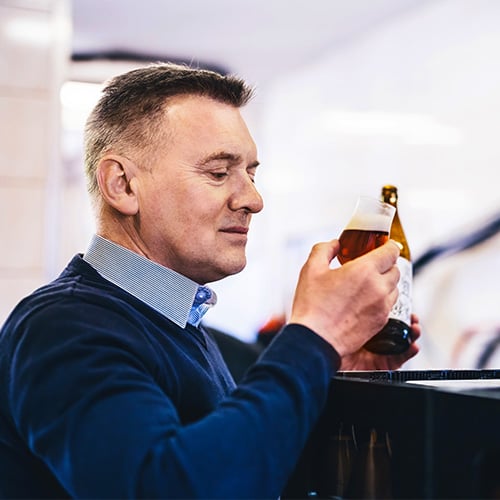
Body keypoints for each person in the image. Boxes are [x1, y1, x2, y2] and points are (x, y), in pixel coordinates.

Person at [0, 63, 420, 499]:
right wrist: (314, 335)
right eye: (219, 173)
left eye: (251, 173)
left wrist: (330, 371)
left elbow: (241, 471)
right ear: (122, 185)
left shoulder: (180, 325)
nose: (253, 200)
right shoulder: (65, 327)